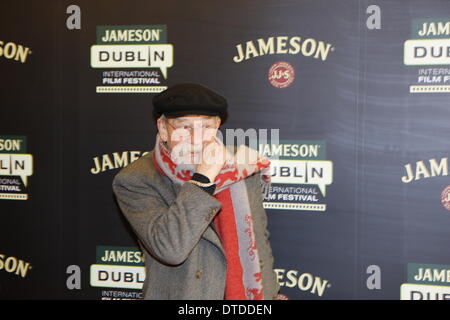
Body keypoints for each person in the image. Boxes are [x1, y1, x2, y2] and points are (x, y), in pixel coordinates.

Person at [112, 82, 280, 300]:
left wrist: (270, 293)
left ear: (218, 125)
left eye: (206, 127)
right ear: (163, 128)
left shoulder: (242, 165)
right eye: (184, 127)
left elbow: (258, 237)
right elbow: (171, 249)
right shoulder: (136, 180)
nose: (196, 138)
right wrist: (203, 180)